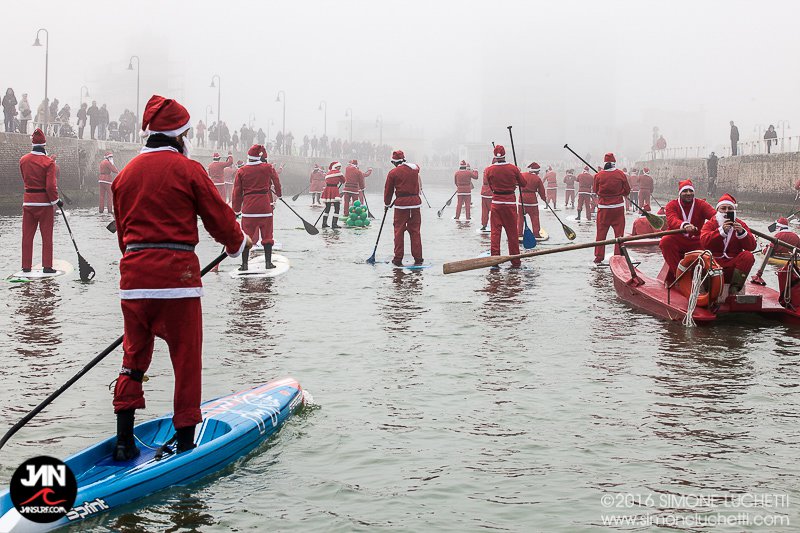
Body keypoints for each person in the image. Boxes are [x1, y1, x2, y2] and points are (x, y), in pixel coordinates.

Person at [110, 95, 249, 461]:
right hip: (178, 281)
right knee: (186, 360)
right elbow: (219, 218)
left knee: (133, 358)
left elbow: (123, 234)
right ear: (179, 136)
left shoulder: (124, 175)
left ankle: (123, 440)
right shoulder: (189, 170)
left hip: (134, 280)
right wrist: (237, 245)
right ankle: (186, 443)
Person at [232, 145, 281, 270]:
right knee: (267, 235)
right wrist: (279, 194)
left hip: (248, 209)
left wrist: (236, 209)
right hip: (265, 207)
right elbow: (276, 181)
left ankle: (244, 265)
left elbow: (237, 193)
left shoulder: (241, 171)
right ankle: (268, 263)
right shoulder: (268, 168)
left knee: (246, 237)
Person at [659, 179, 717, 282]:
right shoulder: (671, 205)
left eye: (690, 191)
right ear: (680, 193)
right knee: (665, 241)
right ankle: (679, 276)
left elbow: (715, 216)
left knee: (713, 240)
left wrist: (728, 221)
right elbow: (672, 220)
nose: (688, 194)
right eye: (685, 191)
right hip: (678, 239)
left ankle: (710, 277)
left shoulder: (701, 204)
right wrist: (684, 225)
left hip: (696, 240)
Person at [20, 128, 61, 273]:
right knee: (47, 236)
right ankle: (47, 266)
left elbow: (25, 179)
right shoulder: (49, 162)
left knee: (27, 236)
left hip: (28, 201)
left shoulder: (23, 160)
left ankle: (25, 266)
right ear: (44, 145)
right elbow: (50, 186)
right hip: (44, 204)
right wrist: (56, 201)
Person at [699, 194, 756, 294]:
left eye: (730, 208)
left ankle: (734, 290)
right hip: (713, 264)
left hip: (732, 266)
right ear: (718, 210)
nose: (726, 211)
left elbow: (752, 246)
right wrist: (721, 232)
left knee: (748, 256)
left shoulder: (741, 225)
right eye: (723, 208)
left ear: (734, 211)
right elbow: (704, 242)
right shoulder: (710, 224)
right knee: (702, 257)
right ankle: (709, 291)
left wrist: (742, 233)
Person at [485, 145, 525, 267]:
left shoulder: (489, 170)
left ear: (494, 156)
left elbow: (490, 186)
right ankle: (515, 261)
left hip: (496, 203)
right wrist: (516, 177)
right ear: (504, 154)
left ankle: (495, 261)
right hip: (510, 204)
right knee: (512, 234)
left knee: (495, 233)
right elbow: (523, 183)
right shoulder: (513, 168)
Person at [384, 150, 423, 266]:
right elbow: (417, 168)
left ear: (394, 162)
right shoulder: (415, 169)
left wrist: (386, 204)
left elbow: (388, 191)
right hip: (416, 204)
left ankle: (398, 259)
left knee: (399, 231)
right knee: (415, 231)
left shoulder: (393, 173)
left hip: (401, 205)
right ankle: (418, 258)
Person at [592, 153, 630, 264]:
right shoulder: (620, 174)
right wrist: (619, 193)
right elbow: (627, 190)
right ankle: (618, 256)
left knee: (601, 233)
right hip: (618, 208)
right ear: (614, 163)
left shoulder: (598, 176)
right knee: (619, 234)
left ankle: (599, 257)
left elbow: (595, 190)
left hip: (604, 208)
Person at [518, 162, 547, 238]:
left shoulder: (522, 175)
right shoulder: (537, 178)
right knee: (535, 218)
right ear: (537, 171)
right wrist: (544, 199)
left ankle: (519, 233)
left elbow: (516, 183)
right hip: (532, 201)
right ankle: (536, 234)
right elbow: (541, 190)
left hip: (522, 199)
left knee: (520, 218)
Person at [322, 161, 345, 228]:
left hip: (327, 190)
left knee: (327, 208)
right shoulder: (338, 173)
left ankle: (324, 223)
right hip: (334, 189)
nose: (339, 168)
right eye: (339, 167)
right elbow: (344, 180)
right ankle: (334, 224)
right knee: (337, 207)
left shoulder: (328, 173)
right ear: (335, 166)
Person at [479, 162, 494, 231]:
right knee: (494, 211)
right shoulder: (495, 170)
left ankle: (484, 225)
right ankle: (493, 225)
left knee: (484, 211)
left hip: (484, 193)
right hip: (491, 192)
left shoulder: (486, 169)